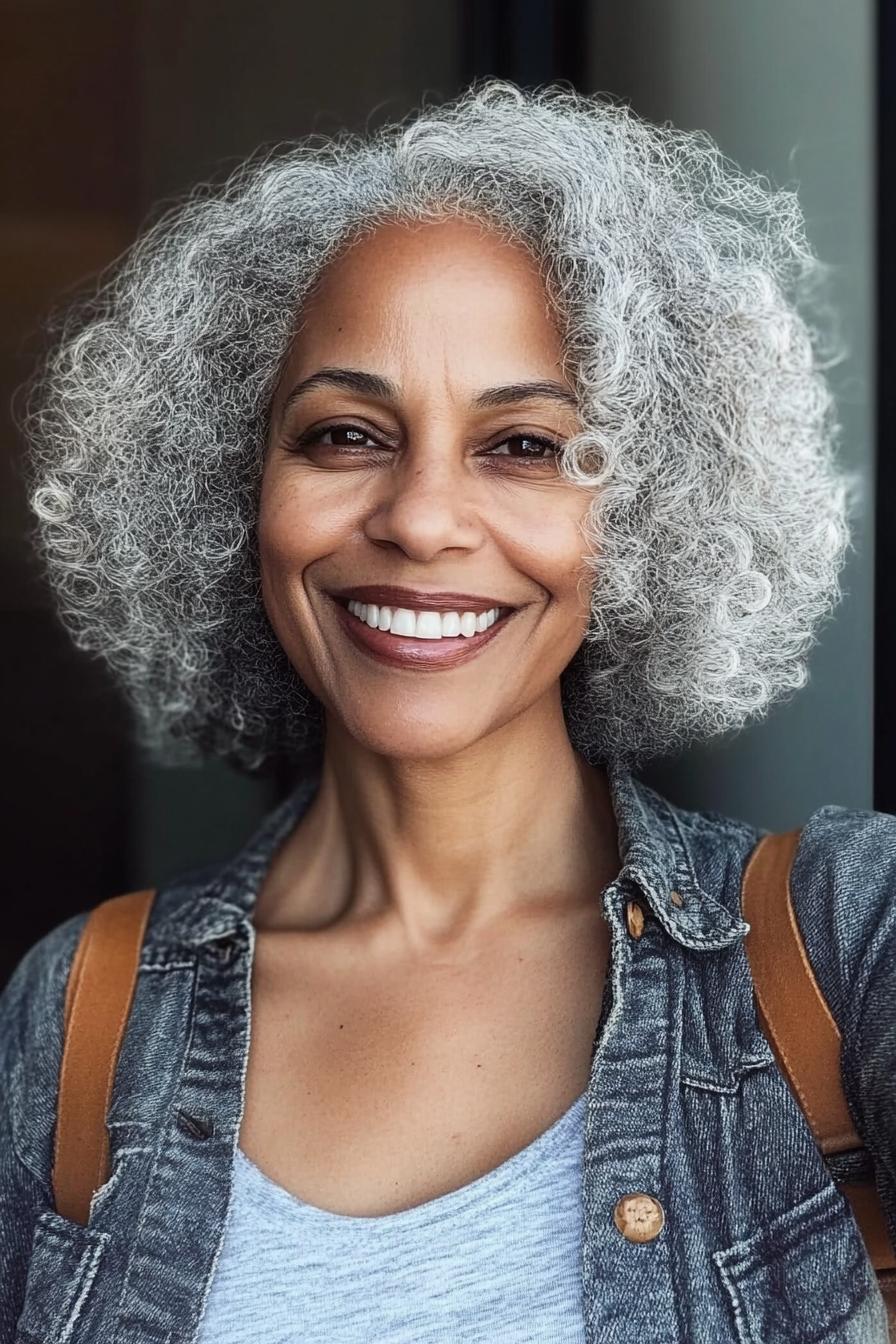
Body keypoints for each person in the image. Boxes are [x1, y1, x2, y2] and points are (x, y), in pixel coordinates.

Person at [2, 79, 892, 1343]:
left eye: (523, 446)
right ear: (229, 486)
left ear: (645, 511)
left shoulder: (848, 948)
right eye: (345, 434)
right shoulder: (80, 1014)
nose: (419, 519)